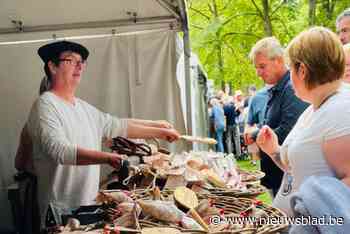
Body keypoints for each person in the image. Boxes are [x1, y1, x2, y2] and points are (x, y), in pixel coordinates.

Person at [25, 40, 180, 228]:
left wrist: (159, 129)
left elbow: (118, 125)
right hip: (60, 212)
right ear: (52, 66)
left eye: (81, 62)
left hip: (90, 206)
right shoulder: (45, 105)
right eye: (71, 60)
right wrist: (107, 157)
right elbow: (59, 151)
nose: (80, 66)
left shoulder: (83, 108)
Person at [256, 27, 350, 216]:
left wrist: (307, 223)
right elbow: (300, 168)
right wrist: (274, 150)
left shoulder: (341, 109)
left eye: (291, 68)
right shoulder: (316, 106)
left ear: (303, 70)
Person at [245, 37, 308, 197]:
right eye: (256, 67)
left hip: (287, 176)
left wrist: (255, 134)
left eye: (262, 66)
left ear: (279, 61)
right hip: (278, 174)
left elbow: (288, 131)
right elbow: (271, 124)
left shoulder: (290, 88)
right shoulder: (279, 87)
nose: (258, 72)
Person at [245, 85, 269, 165]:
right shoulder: (257, 97)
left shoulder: (295, 92)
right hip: (266, 151)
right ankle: (254, 160)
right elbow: (250, 123)